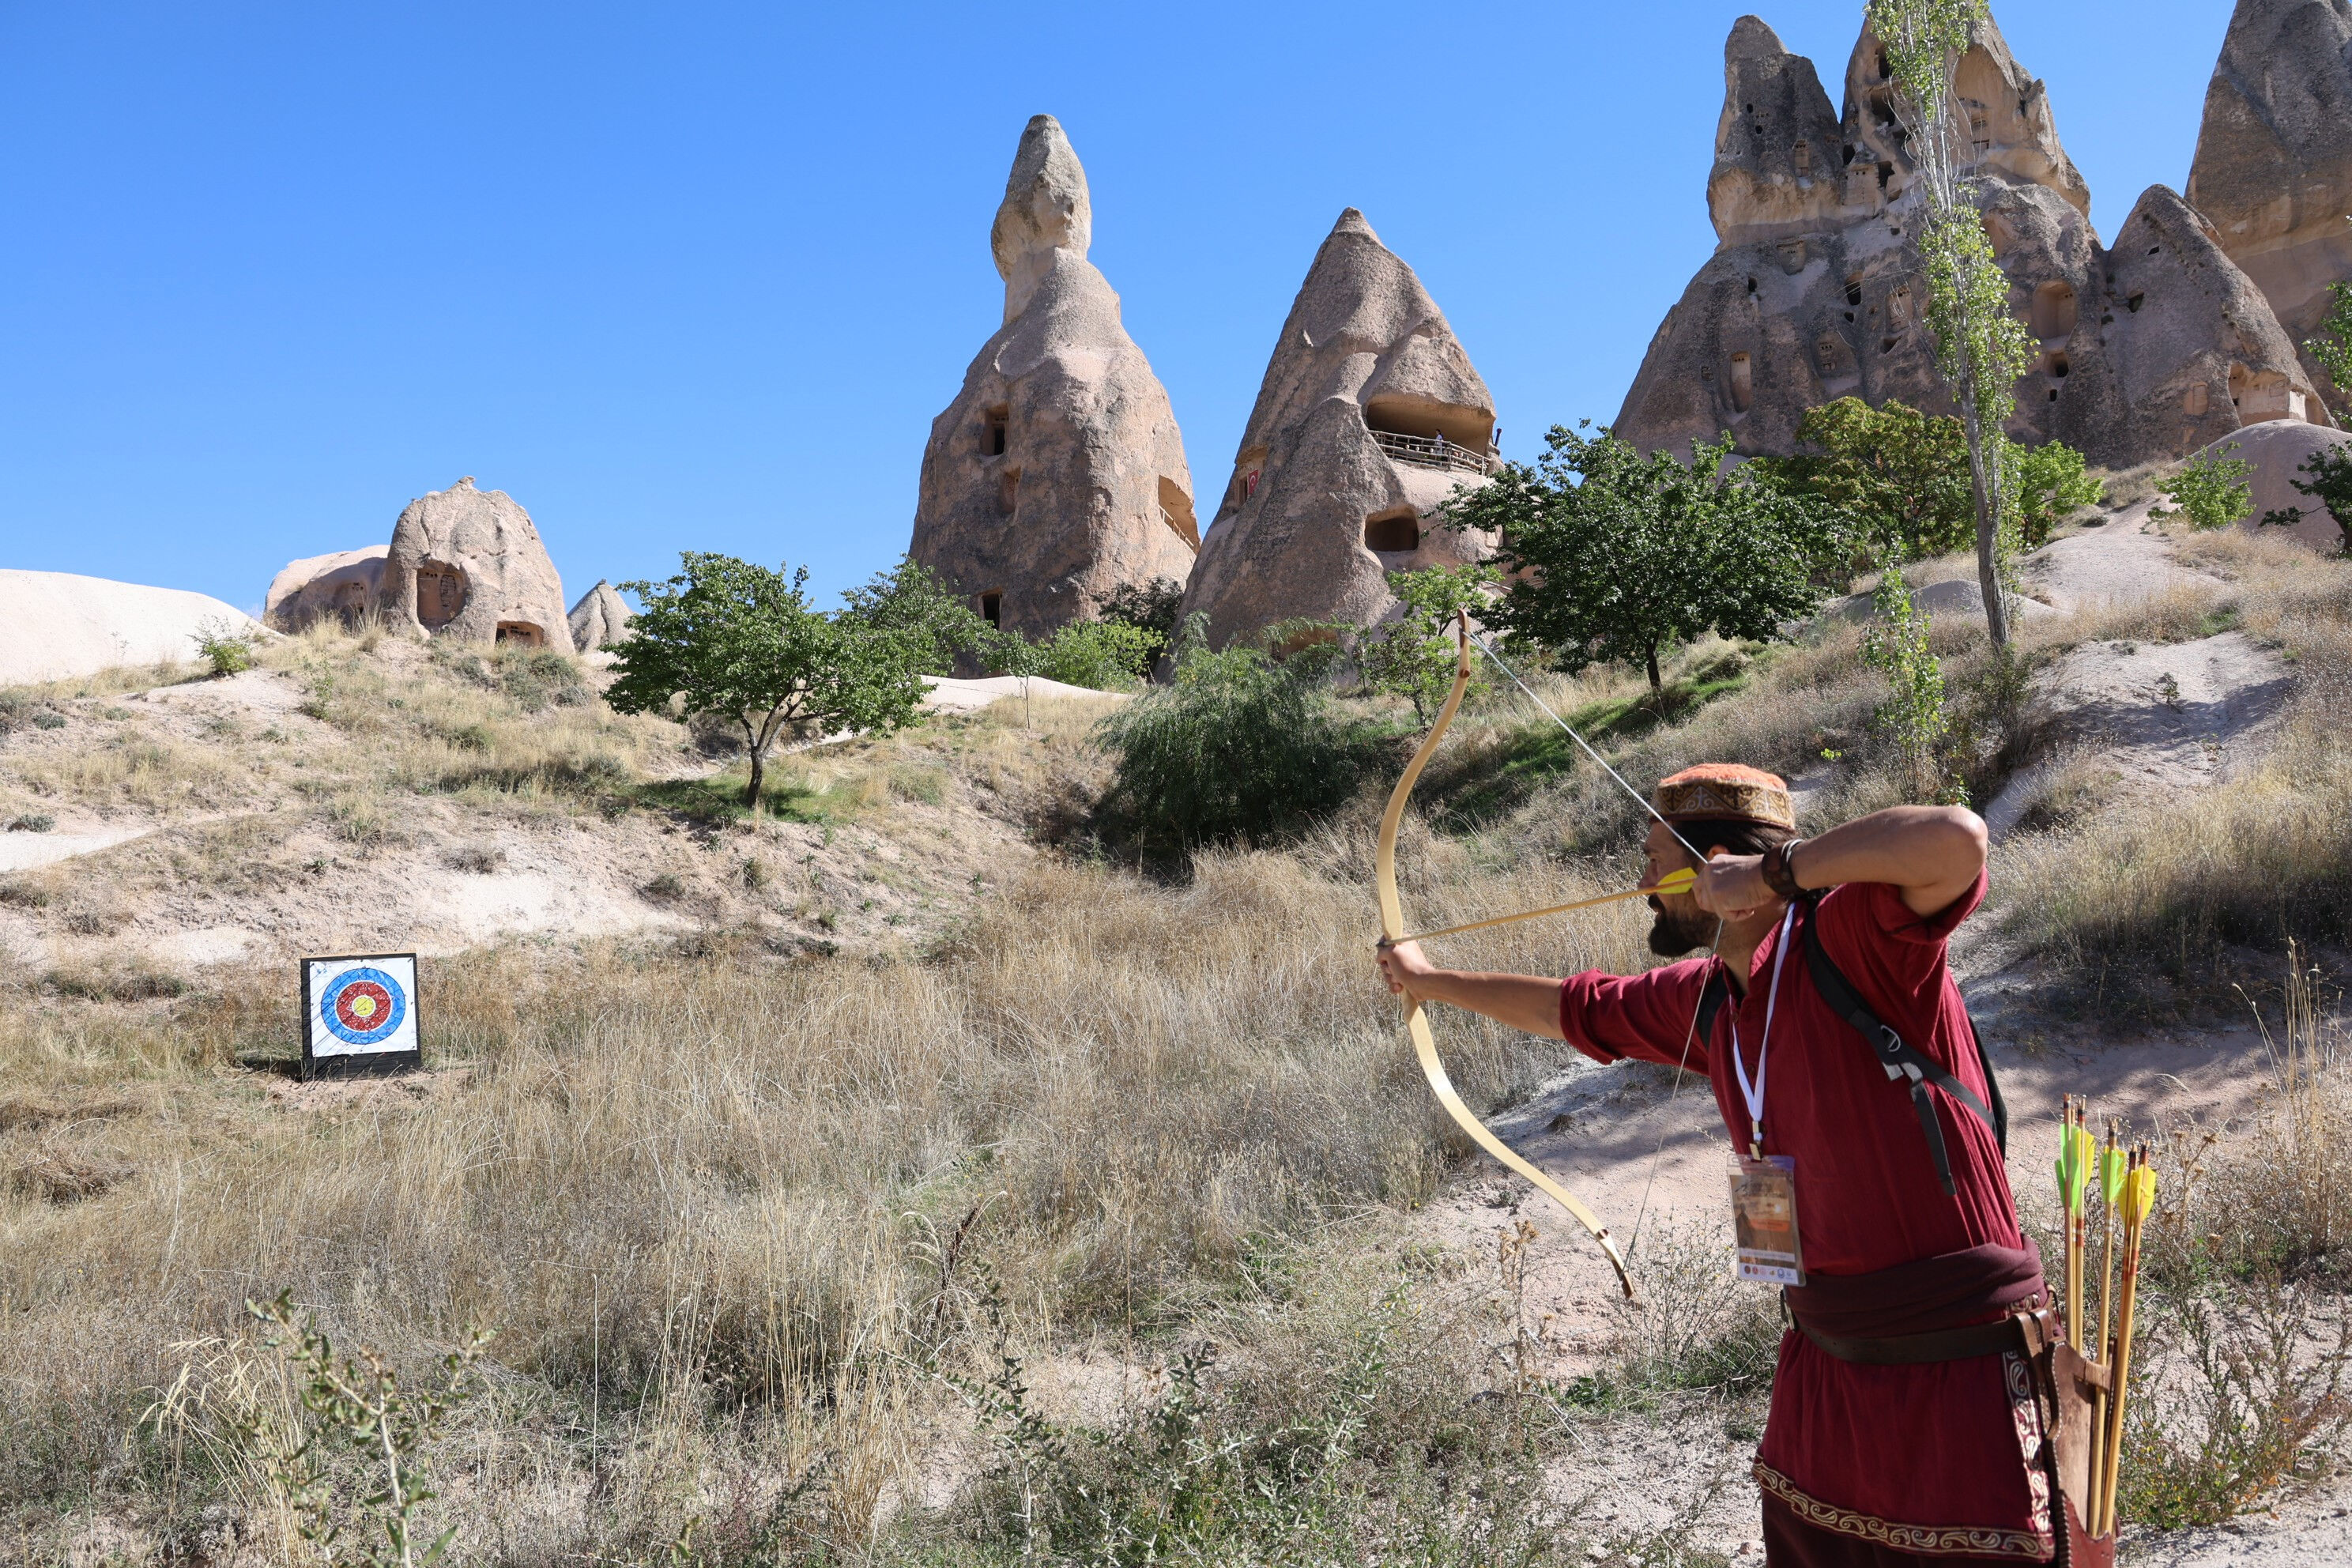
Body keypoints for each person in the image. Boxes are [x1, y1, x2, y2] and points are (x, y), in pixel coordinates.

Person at [1376, 763, 2072, 1566]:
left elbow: (1958, 839)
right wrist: (1429, 980)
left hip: (1958, 1355)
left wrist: (1780, 873)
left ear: (1713, 865)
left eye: (1653, 858)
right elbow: (1570, 1006)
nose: (1641, 883)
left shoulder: (1854, 938)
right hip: (1828, 1353)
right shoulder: (1708, 998)